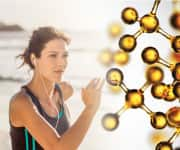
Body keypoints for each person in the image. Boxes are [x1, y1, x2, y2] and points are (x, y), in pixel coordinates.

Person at [9, 26, 104, 150]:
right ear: (34, 59)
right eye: (53, 55)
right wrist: (90, 108)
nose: (61, 63)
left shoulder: (60, 94)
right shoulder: (21, 103)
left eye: (64, 56)